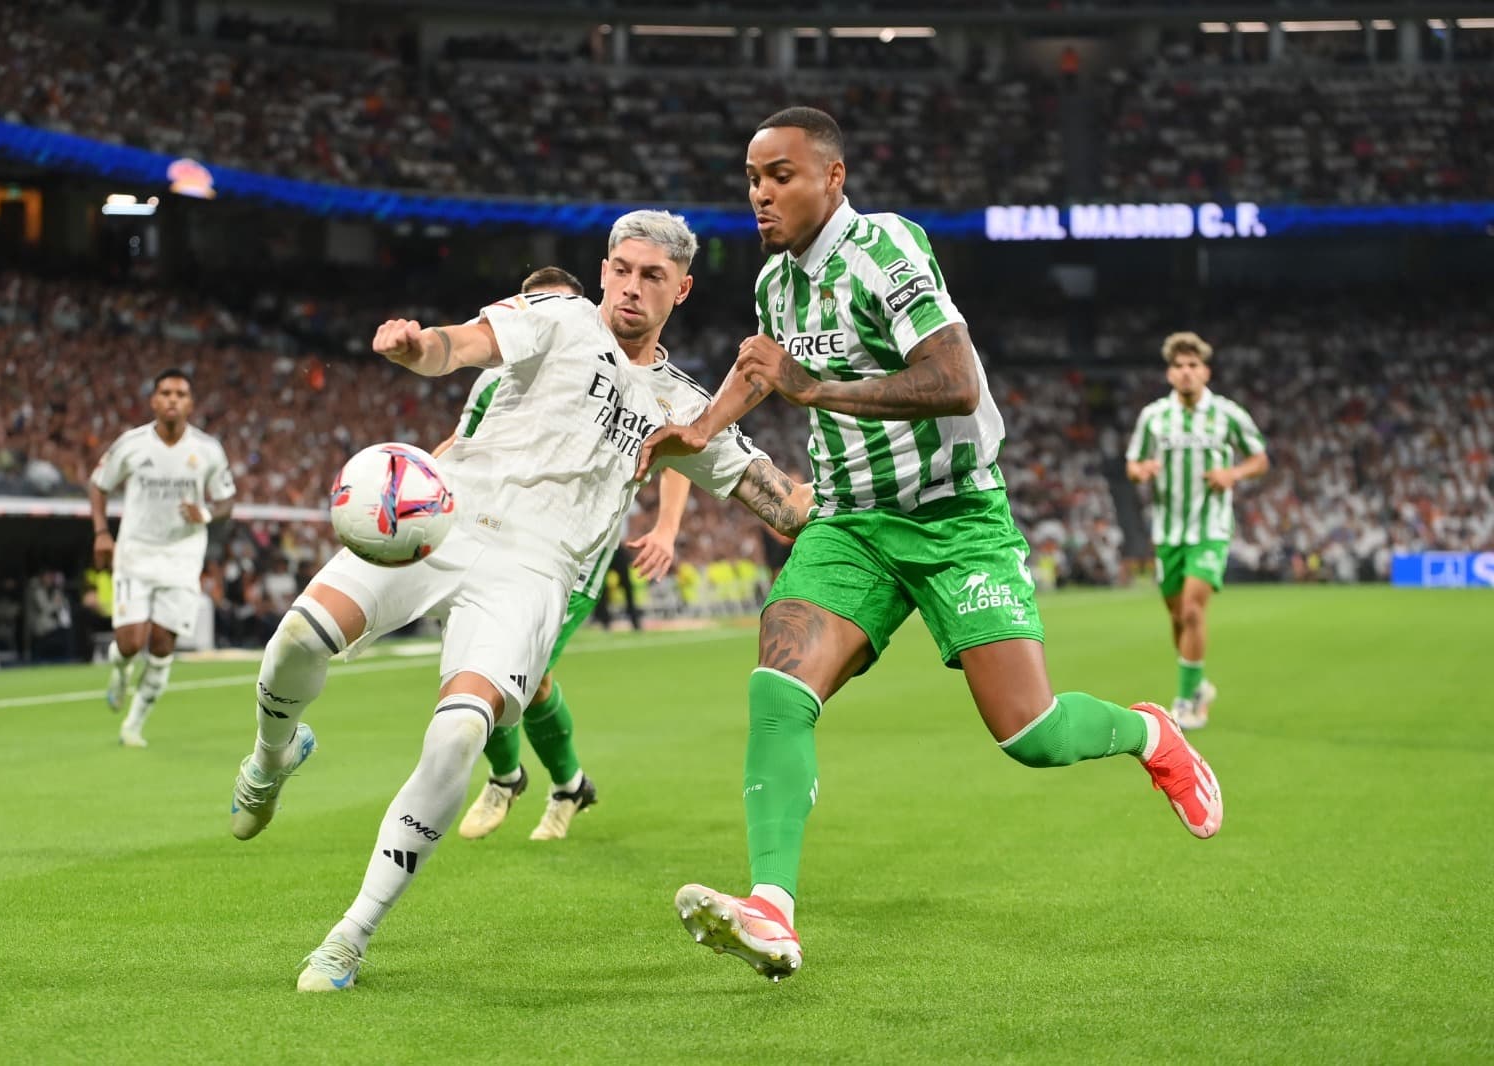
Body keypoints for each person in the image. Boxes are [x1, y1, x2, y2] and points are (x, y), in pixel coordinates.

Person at [638, 107, 1223, 981]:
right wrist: (697, 428)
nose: (761, 194)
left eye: (781, 176)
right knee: (778, 678)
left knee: (1030, 732)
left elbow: (955, 382)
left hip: (955, 517)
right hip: (851, 525)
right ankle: (771, 908)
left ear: (832, 178)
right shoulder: (775, 286)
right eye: (753, 178)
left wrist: (816, 388)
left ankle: (1150, 734)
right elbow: (764, 371)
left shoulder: (887, 250)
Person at [228, 210, 817, 992]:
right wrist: (418, 347)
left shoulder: (687, 407)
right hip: (448, 515)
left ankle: (349, 936)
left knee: (458, 738)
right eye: (622, 268)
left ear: (683, 288)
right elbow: (463, 343)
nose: (631, 287)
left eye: (652, 276)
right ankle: (271, 760)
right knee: (297, 640)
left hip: (533, 572)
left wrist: (865, 464)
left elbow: (782, 506)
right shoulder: (561, 317)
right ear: (603, 270)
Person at [434, 265, 693, 844]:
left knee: (514, 671)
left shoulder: (618, 375)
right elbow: (461, 444)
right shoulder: (494, 377)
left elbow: (681, 445)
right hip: (489, 539)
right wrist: (414, 487)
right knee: (481, 667)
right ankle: (554, 782)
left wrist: (667, 527)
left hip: (573, 558)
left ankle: (524, 780)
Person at [1125, 332, 1268, 729]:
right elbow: (1132, 464)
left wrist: (1232, 473)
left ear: (1205, 371)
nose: (1186, 373)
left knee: (1191, 610)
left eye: (1193, 366)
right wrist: (1143, 471)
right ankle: (1199, 684)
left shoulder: (1227, 414)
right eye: (1178, 366)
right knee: (1177, 616)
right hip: (1168, 531)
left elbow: (1259, 458)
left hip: (1210, 527)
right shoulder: (1154, 417)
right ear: (1170, 373)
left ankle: (1187, 701)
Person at [89, 368, 236, 747]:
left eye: (180, 394)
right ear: (154, 400)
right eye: (165, 393)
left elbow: (225, 500)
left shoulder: (207, 450)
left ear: (190, 403)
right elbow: (98, 484)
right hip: (135, 552)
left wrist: (205, 514)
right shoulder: (132, 444)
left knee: (162, 645)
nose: (172, 399)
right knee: (129, 641)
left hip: (182, 557)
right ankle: (120, 670)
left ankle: (132, 726)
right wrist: (102, 533)